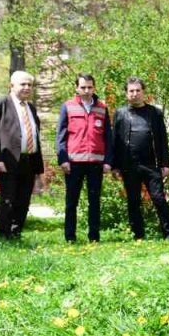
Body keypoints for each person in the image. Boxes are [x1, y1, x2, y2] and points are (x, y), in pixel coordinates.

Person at [111, 76, 169, 240]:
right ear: (126, 93)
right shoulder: (120, 113)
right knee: (133, 201)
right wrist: (114, 166)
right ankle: (138, 236)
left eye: (138, 90)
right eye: (131, 91)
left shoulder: (155, 113)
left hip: (151, 165)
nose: (134, 94)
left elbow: (162, 139)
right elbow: (115, 141)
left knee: (159, 198)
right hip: (129, 165)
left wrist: (165, 163)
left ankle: (168, 234)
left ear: (143, 92)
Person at [0, 71, 44, 240]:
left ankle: (16, 232)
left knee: (24, 199)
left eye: (30, 85)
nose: (27, 88)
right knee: (8, 198)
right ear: (11, 85)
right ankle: (4, 234)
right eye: (23, 84)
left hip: (29, 160)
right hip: (8, 160)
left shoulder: (30, 107)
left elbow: (33, 134)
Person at [56, 73, 112, 243]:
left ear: (94, 88)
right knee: (71, 202)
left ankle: (94, 237)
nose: (86, 91)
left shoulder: (102, 108)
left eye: (89, 87)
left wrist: (108, 161)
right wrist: (63, 159)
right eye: (83, 87)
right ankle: (70, 237)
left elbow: (108, 137)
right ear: (76, 88)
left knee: (94, 202)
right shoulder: (68, 106)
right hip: (73, 163)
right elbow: (61, 136)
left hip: (95, 163)